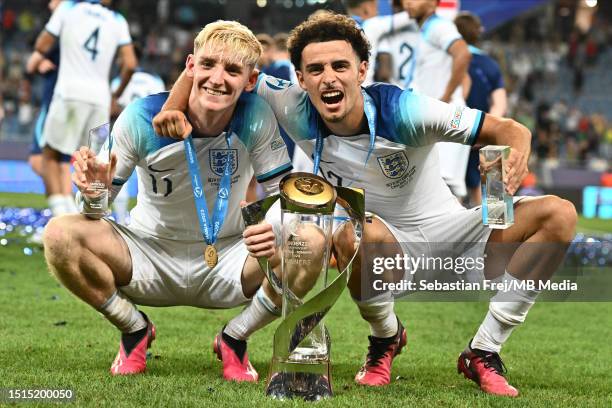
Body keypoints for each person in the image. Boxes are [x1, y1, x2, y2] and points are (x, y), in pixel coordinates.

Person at [154, 12, 577, 397]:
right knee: (358, 229)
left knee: (558, 214)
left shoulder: (407, 110)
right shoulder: (291, 105)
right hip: (375, 242)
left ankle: (483, 352)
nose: (328, 79)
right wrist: (173, 107)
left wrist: (507, 178)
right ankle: (385, 339)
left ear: (361, 71)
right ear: (299, 78)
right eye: (315, 69)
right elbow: (214, 62)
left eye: (340, 67)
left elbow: (506, 131)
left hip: (453, 234)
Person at [43, 21, 296, 382]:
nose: (217, 79)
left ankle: (235, 337)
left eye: (233, 70)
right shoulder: (141, 116)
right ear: (190, 66)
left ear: (250, 81)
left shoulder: (255, 115)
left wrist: (273, 226)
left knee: (306, 239)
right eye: (208, 65)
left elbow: (281, 197)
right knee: (60, 234)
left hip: (228, 257)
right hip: (147, 253)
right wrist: (95, 194)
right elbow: (93, 214)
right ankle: (134, 329)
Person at [32, 0, 137, 216]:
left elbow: (42, 45)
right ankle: (91, 215)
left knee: (50, 157)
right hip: (99, 100)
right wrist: (115, 95)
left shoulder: (69, 7)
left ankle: (62, 216)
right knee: (95, 163)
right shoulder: (117, 20)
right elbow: (130, 64)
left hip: (68, 94)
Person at [402, 0, 472, 199]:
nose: (408, 2)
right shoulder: (425, 30)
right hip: (438, 118)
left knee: (441, 191)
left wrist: (446, 99)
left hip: (444, 118)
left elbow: (463, 54)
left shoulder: (439, 26)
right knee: (438, 193)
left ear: (433, 3)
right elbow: (465, 76)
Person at [25, 0, 73, 216]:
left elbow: (31, 63)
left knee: (39, 160)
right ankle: (70, 213)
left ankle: (61, 216)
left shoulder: (58, 27)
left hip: (55, 101)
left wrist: (38, 62)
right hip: (77, 101)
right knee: (61, 163)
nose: (51, 3)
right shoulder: (79, 27)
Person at [454, 12, 508, 207]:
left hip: (452, 133)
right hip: (487, 134)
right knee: (495, 204)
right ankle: (495, 234)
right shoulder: (490, 65)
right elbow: (500, 104)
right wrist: (485, 129)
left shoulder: (447, 60)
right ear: (478, 33)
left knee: (452, 192)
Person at [109, 44, 166, 224]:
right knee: (151, 181)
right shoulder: (154, 80)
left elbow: (113, 108)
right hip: (153, 134)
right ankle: (154, 224)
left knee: (117, 177)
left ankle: (119, 220)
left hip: (126, 133)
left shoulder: (119, 81)